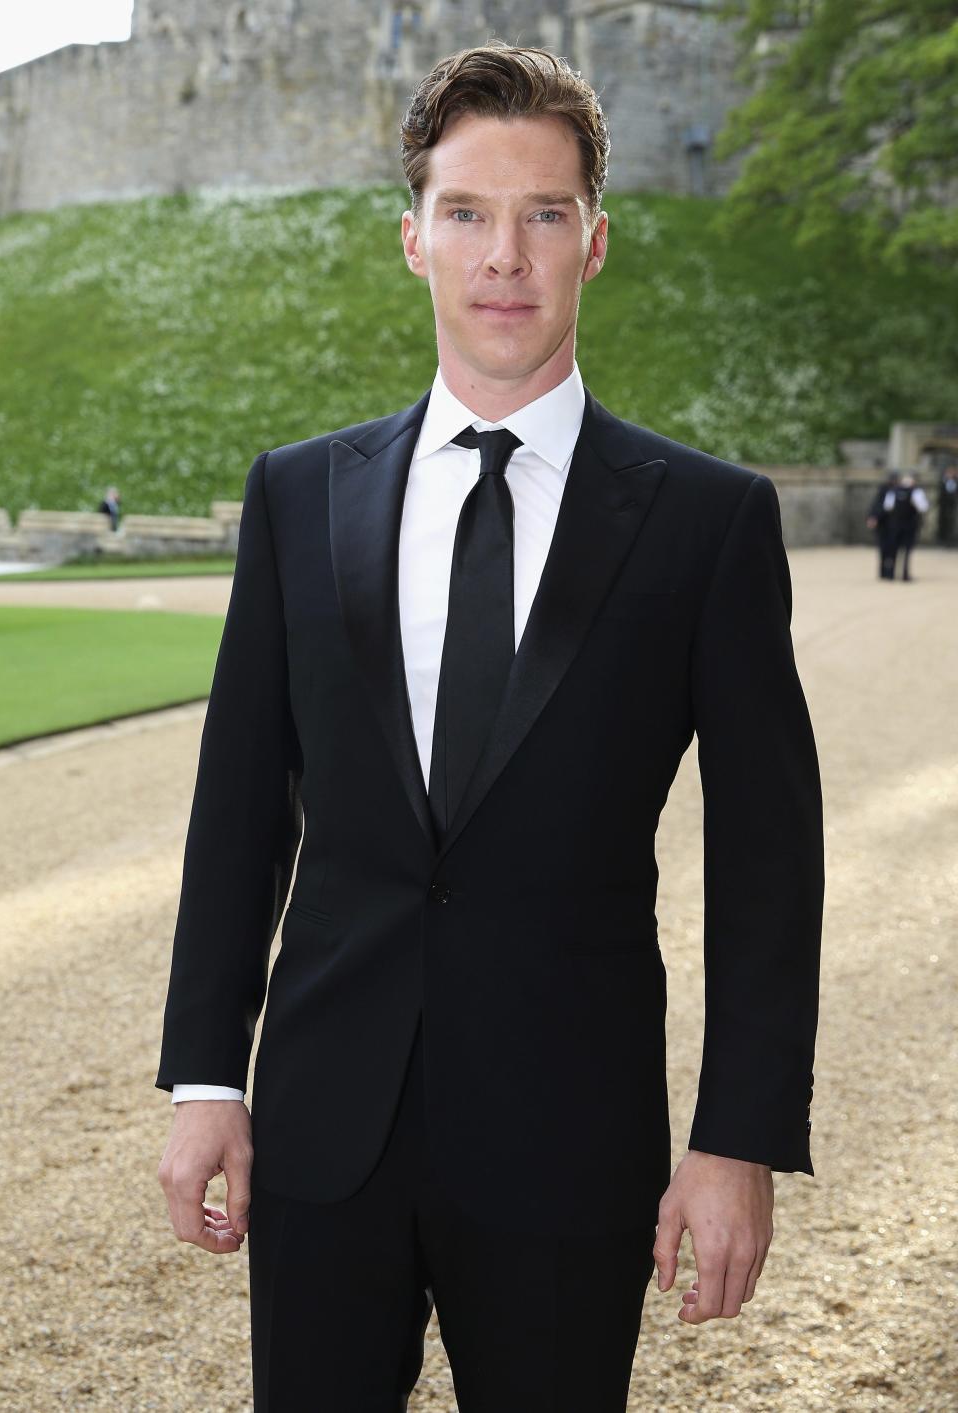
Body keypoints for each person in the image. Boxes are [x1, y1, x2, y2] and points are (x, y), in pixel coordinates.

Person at [156, 41, 824, 1412]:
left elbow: (771, 851)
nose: (502, 254)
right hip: (325, 1129)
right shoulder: (296, 497)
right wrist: (204, 1076)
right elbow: (238, 806)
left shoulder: (706, 523)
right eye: (466, 212)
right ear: (414, 240)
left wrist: (739, 1136)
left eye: (542, 214)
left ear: (596, 241)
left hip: (570, 1138)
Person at [866, 470, 899, 579]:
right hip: (884, 524)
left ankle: (890, 572)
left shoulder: (898, 490)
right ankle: (883, 572)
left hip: (894, 524)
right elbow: (877, 505)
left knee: (892, 550)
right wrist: (873, 517)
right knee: (883, 549)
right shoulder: (883, 490)